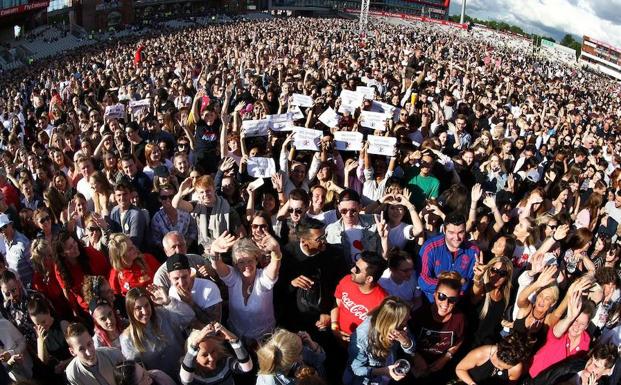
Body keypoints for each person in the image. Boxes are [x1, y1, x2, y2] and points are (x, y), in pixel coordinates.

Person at [278, 217, 348, 332]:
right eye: (319, 239)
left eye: (325, 236)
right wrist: (292, 283)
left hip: (324, 318)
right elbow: (277, 290)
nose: (324, 241)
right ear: (304, 241)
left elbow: (342, 288)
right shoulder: (287, 255)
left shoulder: (334, 255)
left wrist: (330, 313)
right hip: (295, 320)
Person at [208, 233, 282, 342]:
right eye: (241, 262)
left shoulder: (263, 278)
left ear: (256, 260)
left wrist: (276, 251)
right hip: (236, 336)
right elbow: (217, 266)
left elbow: (275, 265)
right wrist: (214, 251)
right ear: (236, 264)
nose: (246, 265)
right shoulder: (233, 277)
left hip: (264, 339)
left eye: (249, 260)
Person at [119, 285, 194, 379]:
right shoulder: (127, 339)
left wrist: (168, 302)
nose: (145, 311)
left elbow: (189, 316)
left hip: (186, 372)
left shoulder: (163, 314)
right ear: (130, 311)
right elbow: (136, 372)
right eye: (138, 308)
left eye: (146, 305)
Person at [343, 296, 415, 385]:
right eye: (405, 318)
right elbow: (356, 369)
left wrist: (405, 341)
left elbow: (411, 350)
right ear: (392, 322)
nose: (410, 318)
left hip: (388, 374)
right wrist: (384, 371)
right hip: (368, 381)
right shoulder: (363, 336)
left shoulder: (401, 326)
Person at [410, 271, 465, 383]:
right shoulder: (420, 314)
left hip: (439, 368)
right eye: (441, 297)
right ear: (435, 294)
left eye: (452, 300)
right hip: (414, 366)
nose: (445, 304)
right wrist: (414, 355)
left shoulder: (459, 318)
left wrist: (446, 358)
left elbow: (459, 339)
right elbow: (406, 336)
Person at [528, 290, 595, 379]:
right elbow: (556, 332)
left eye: (582, 324)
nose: (577, 326)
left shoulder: (585, 341)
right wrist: (570, 318)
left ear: (586, 326)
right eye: (575, 320)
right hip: (534, 377)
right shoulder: (562, 329)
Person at [417, 213, 480, 302]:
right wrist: (453, 285)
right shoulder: (431, 247)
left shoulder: (473, 251)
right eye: (451, 232)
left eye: (460, 232)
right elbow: (423, 281)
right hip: (433, 303)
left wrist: (478, 277)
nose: (456, 237)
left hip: (459, 304)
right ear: (444, 230)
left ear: (465, 230)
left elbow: (470, 283)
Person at [173, 175, 243, 253]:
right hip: (204, 252)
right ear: (198, 194)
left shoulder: (228, 209)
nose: (205, 194)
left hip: (225, 251)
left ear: (214, 189)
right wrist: (181, 192)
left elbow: (241, 234)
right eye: (202, 192)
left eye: (208, 190)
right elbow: (176, 204)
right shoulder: (197, 206)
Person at [332, 251, 388, 342]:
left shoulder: (382, 302)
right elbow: (337, 303)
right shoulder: (347, 280)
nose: (352, 270)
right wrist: (334, 326)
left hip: (359, 346)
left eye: (357, 269)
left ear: (369, 279)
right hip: (337, 336)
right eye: (354, 265)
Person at [325, 189, 387, 265]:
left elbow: (384, 256)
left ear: (360, 207)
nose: (348, 215)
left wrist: (384, 238)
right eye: (344, 211)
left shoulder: (375, 222)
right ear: (339, 208)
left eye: (353, 210)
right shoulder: (331, 230)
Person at [179, 322, 253, 385]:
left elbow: (247, 368)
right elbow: (185, 380)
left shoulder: (225, 363)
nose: (211, 358)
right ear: (194, 358)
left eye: (213, 351)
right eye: (204, 355)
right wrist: (195, 342)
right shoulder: (194, 376)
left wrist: (233, 339)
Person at [523, 343, 618, 385]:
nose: (589, 365)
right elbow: (543, 378)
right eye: (591, 359)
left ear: (606, 371)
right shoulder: (571, 365)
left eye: (596, 366)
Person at [470, 256, 513, 348]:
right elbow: (476, 290)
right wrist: (478, 277)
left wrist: (504, 322)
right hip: (470, 345)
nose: (496, 275)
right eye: (494, 270)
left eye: (502, 273)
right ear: (488, 270)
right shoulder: (483, 289)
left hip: (489, 347)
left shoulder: (506, 296)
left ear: (507, 277)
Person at [167, 252, 222, 324]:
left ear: (189, 272)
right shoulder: (172, 291)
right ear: (169, 277)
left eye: (184, 277)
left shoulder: (209, 288)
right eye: (176, 278)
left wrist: (190, 303)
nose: (181, 283)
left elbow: (215, 324)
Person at [455, 333, 530, 385]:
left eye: (505, 368)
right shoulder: (481, 353)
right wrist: (471, 383)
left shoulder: (517, 368)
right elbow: (460, 369)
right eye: (499, 364)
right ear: (498, 351)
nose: (500, 368)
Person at [108, 180, 148, 250]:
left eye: (125, 194)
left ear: (130, 195)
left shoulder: (136, 214)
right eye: (119, 195)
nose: (122, 198)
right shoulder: (114, 211)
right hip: (118, 251)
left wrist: (116, 238)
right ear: (115, 196)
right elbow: (111, 237)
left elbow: (135, 242)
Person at [0, 213, 33, 288]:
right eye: (0, 229)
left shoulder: (23, 243)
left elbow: (35, 268)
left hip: (32, 288)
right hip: (20, 290)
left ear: (11, 225)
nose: (3, 231)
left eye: (4, 226)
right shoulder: (6, 242)